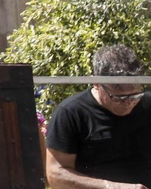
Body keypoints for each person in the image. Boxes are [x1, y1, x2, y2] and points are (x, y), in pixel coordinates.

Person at [45, 44, 151, 189]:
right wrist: (114, 187)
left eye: (134, 95)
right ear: (96, 83)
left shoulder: (148, 104)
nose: (128, 103)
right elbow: (56, 176)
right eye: (118, 98)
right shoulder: (70, 113)